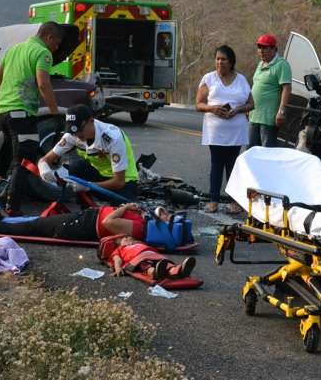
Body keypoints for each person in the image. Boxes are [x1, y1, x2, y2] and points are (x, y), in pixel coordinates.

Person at [0, 21, 63, 215]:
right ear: (48, 37)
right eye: (56, 43)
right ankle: (12, 209)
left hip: (3, 114)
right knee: (24, 161)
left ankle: (0, 202)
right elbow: (43, 84)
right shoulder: (42, 53)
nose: (56, 48)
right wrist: (55, 112)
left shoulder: (13, 50)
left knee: (12, 160)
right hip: (21, 114)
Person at [38, 104, 139, 202]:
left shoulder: (112, 138)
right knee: (76, 168)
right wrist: (43, 168)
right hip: (99, 172)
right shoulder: (72, 135)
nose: (77, 135)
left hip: (123, 180)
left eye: (80, 130)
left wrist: (89, 186)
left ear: (91, 121)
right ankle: (85, 206)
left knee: (121, 208)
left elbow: (119, 182)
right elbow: (46, 159)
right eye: (73, 132)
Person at [196, 45, 254, 213]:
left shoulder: (241, 79)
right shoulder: (209, 79)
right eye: (217, 59)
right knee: (216, 163)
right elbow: (198, 104)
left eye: (224, 59)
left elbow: (252, 103)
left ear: (231, 62)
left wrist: (238, 109)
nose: (220, 62)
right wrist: (212, 109)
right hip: (215, 131)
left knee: (232, 164)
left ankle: (233, 201)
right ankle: (213, 200)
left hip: (236, 130)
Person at [0, 203, 163, 242]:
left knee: (36, 227)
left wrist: (124, 208)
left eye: (167, 217)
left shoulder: (139, 229)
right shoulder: (142, 221)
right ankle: (5, 219)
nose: (165, 214)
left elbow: (108, 222)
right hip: (84, 219)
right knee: (41, 221)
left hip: (79, 227)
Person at [248, 33, 292, 148]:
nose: (261, 51)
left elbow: (286, 88)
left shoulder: (281, 64)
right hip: (254, 116)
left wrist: (281, 112)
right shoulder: (260, 64)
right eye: (259, 47)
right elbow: (256, 86)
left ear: (273, 49)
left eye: (264, 47)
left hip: (268, 119)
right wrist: (248, 106)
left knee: (266, 153)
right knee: (251, 151)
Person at [109, 236, 196, 280]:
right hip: (137, 258)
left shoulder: (140, 244)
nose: (128, 239)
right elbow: (116, 258)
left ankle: (178, 271)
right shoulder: (120, 249)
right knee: (144, 265)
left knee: (164, 262)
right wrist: (117, 267)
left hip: (152, 254)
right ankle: (155, 272)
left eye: (130, 238)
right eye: (124, 239)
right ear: (120, 244)